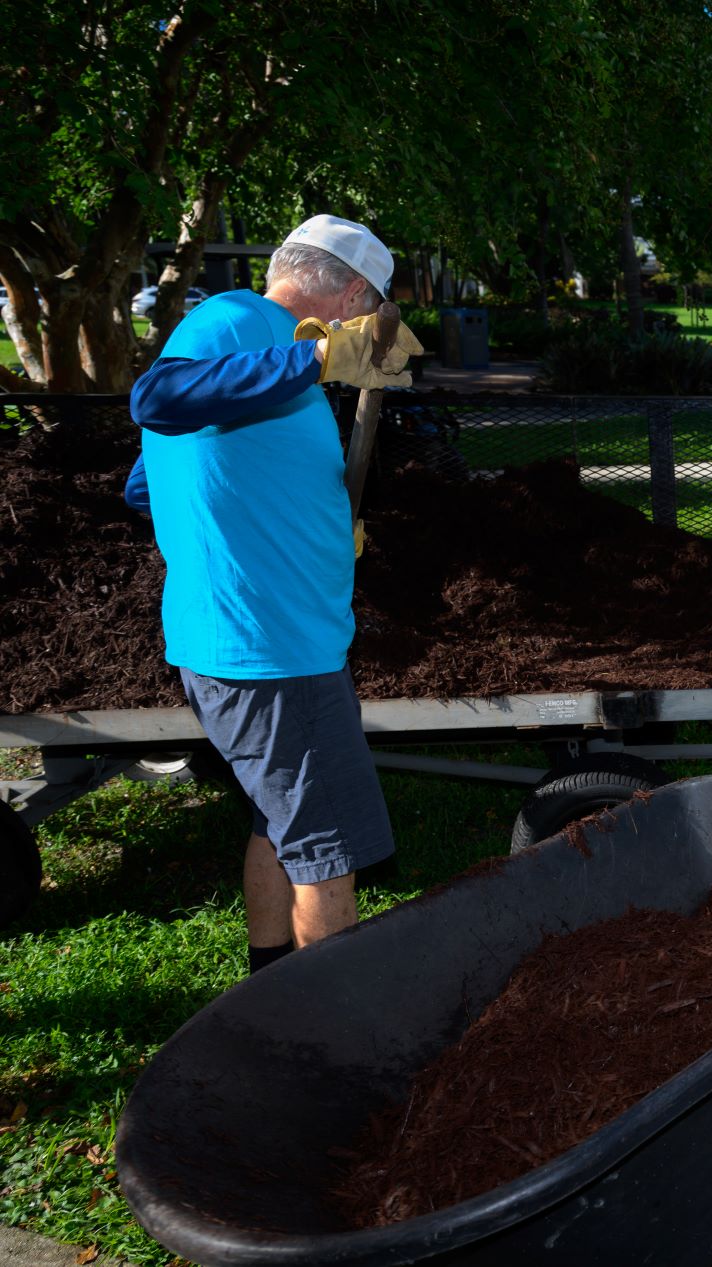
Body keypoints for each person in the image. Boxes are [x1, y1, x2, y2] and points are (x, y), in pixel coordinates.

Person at [128, 214, 422, 975]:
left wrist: (311, 519)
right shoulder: (236, 319)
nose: (367, 329)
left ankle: (269, 991)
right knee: (328, 851)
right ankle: (337, 1039)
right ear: (351, 291)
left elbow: (148, 477)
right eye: (369, 311)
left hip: (279, 642)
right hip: (268, 654)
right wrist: (320, 358)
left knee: (282, 827)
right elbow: (158, 399)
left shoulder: (271, 350)